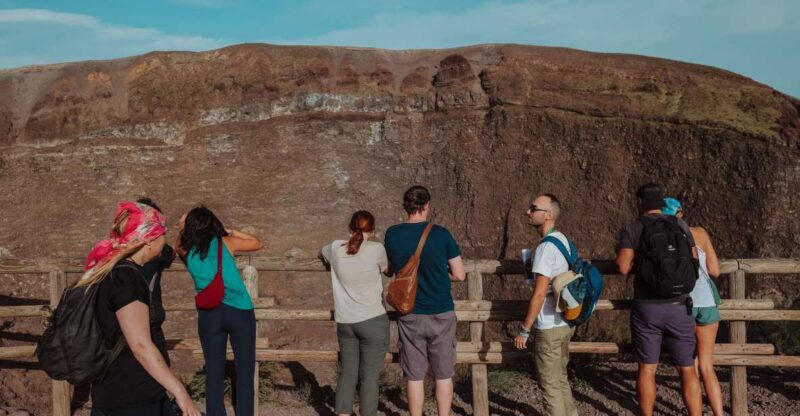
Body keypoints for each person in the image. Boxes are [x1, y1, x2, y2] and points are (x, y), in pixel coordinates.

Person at [79, 201, 200, 416]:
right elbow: (140, 346)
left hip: (126, 391)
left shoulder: (111, 270)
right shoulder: (127, 278)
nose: (165, 241)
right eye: (163, 233)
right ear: (150, 239)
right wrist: (180, 392)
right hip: (130, 397)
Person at [615, 183, 702, 416]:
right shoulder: (680, 224)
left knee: (647, 368)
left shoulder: (634, 227)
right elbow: (694, 261)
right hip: (680, 305)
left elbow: (623, 267)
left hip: (648, 308)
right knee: (687, 370)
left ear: (640, 202)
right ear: (662, 202)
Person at [384, 185, 466, 416]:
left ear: (405, 206)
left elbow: (391, 268)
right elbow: (459, 275)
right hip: (441, 311)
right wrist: (441, 273)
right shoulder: (442, 234)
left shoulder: (392, 234)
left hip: (409, 312)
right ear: (427, 205)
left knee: (414, 375)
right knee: (443, 374)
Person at [179, 206, 263, 416]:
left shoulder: (185, 249)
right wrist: (231, 231)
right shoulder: (225, 242)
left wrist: (183, 228)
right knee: (244, 370)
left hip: (209, 314)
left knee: (213, 371)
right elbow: (257, 243)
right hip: (239, 311)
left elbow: (177, 244)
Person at [320, 210, 390, 416]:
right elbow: (387, 270)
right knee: (369, 377)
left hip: (345, 322)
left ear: (350, 228)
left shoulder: (334, 248)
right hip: (373, 320)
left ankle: (342, 413)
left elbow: (320, 253)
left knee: (348, 373)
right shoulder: (377, 249)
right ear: (373, 229)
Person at [513, 193, 578, 416]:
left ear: (549, 215)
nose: (528, 212)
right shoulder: (564, 241)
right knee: (560, 379)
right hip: (566, 321)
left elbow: (539, 294)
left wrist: (524, 330)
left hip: (548, 324)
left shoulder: (545, 248)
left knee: (549, 386)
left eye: (534, 208)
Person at [663, 197, 723, 416]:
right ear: (681, 213)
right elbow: (715, 271)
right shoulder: (700, 233)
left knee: (688, 369)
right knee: (707, 366)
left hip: (682, 305)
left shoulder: (662, 238)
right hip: (706, 303)